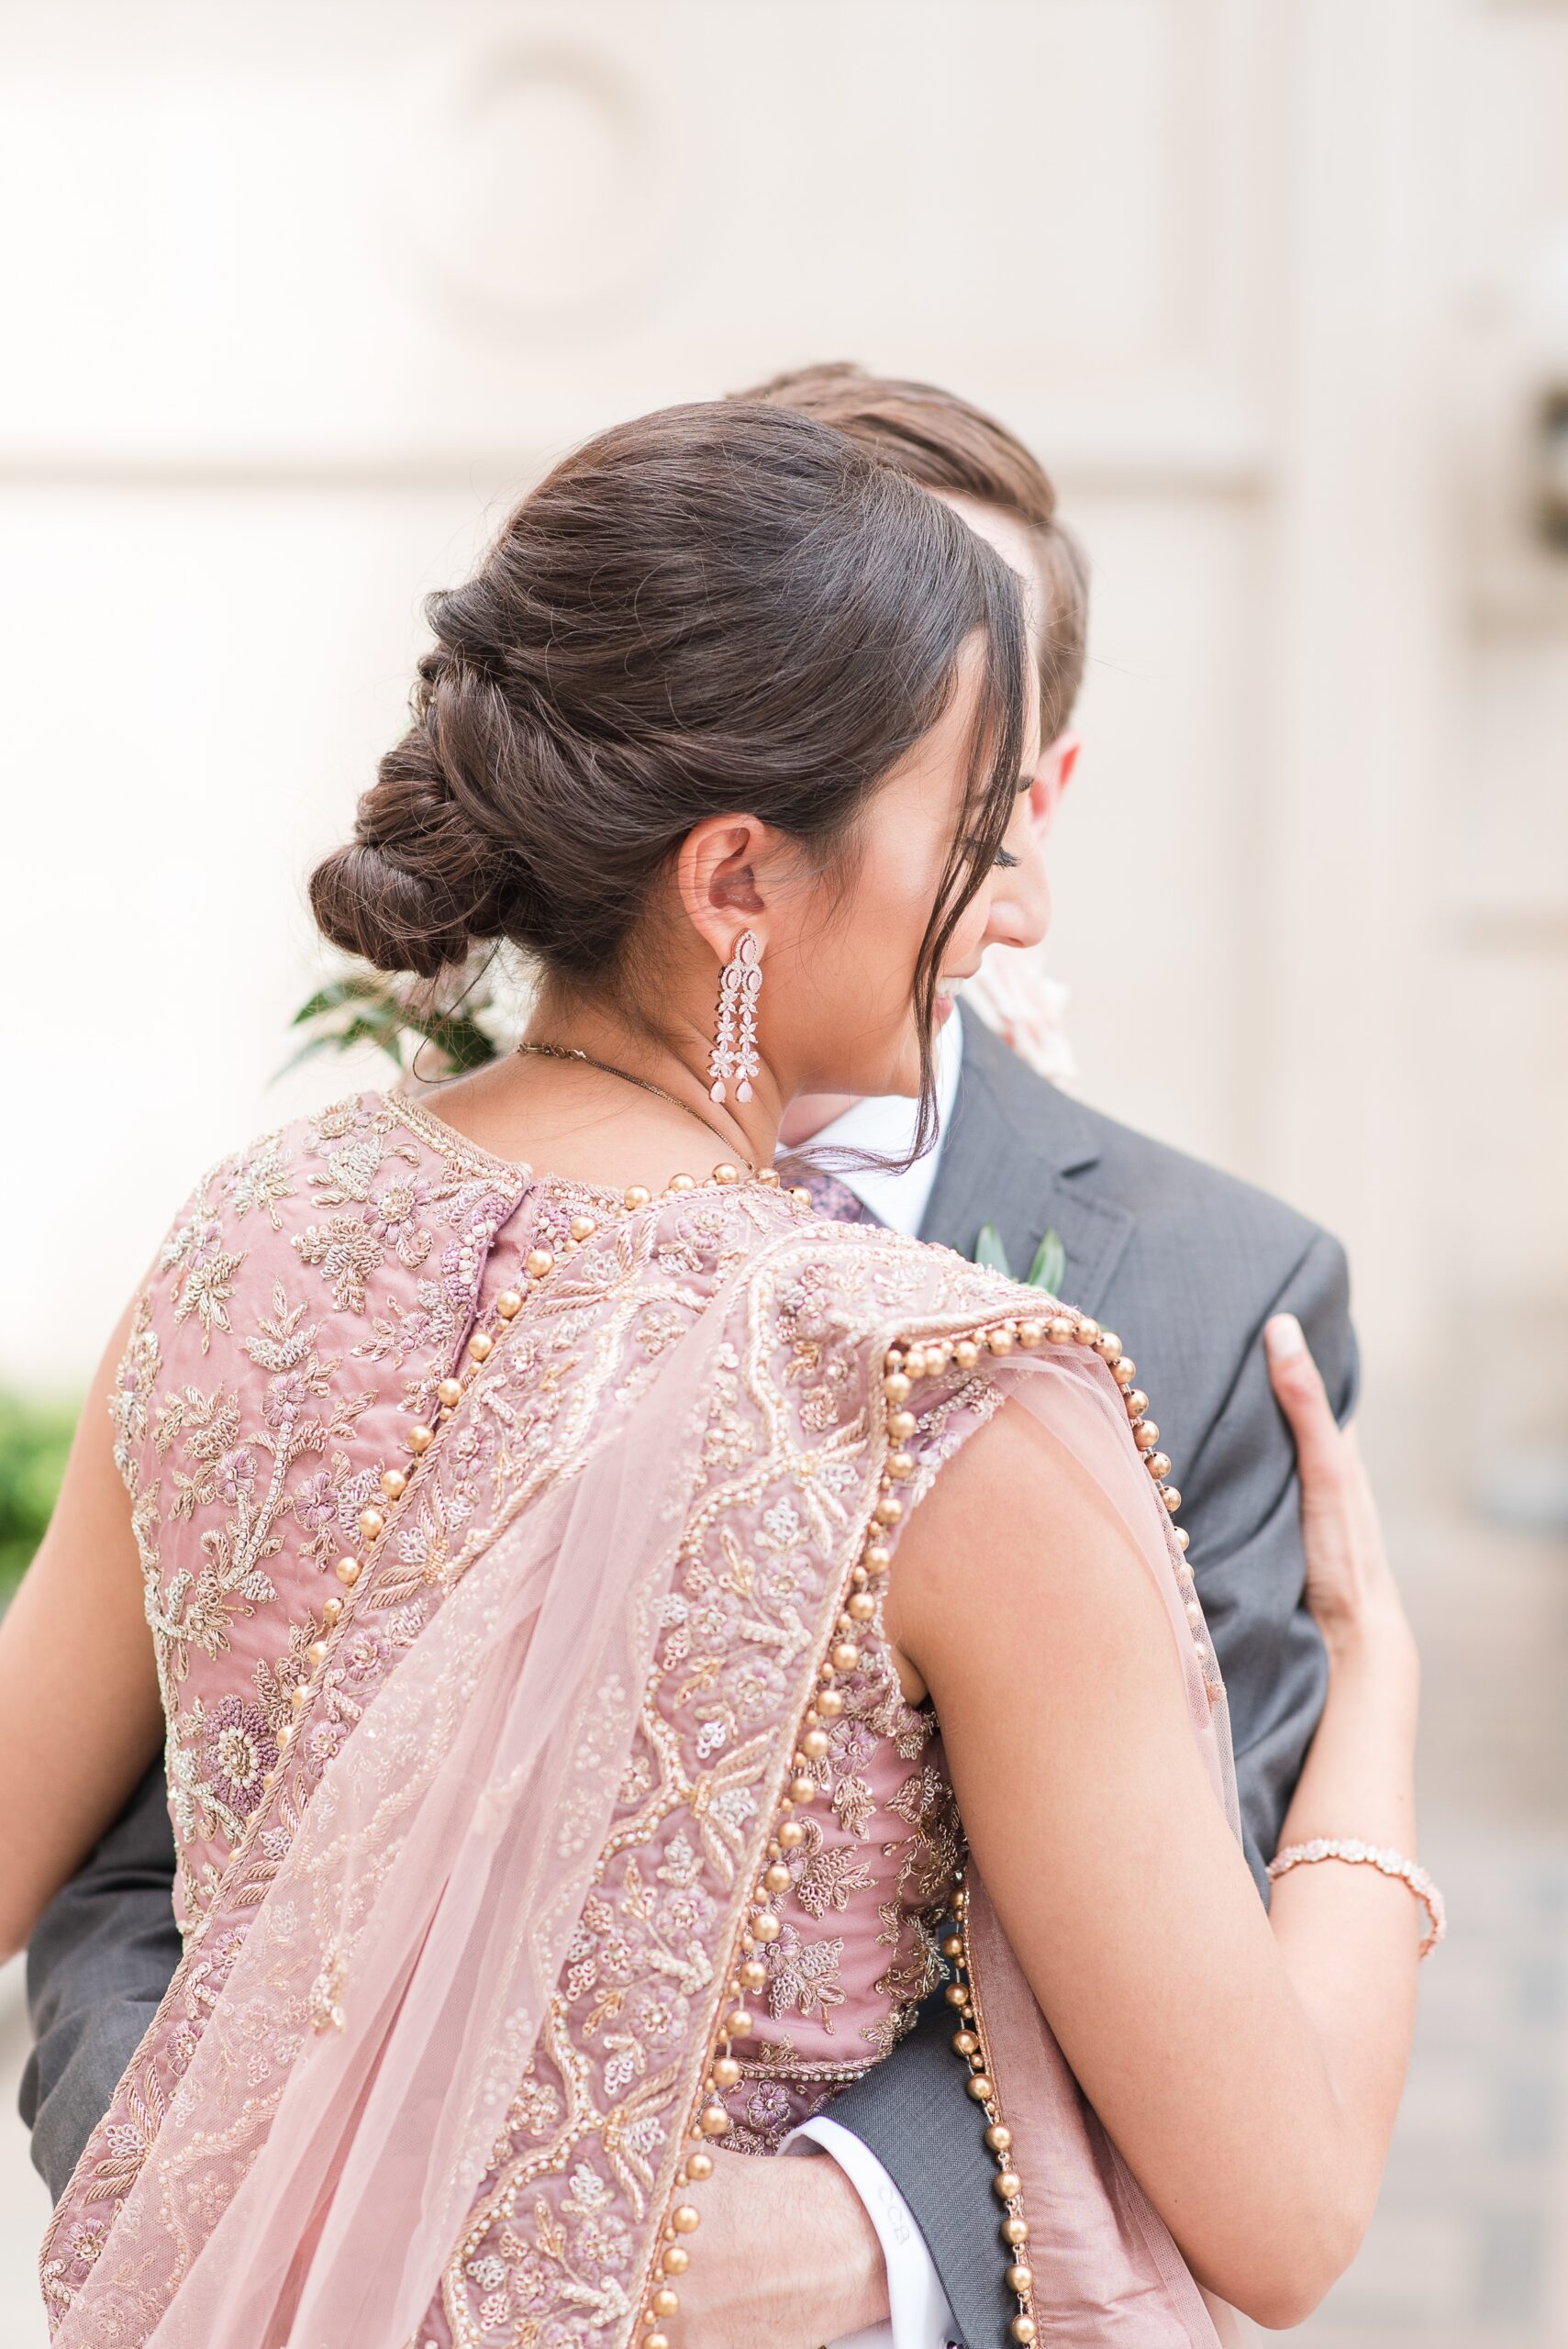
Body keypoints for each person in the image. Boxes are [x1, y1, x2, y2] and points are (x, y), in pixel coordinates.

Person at [1, 395, 1432, 2349]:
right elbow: (1287, 2206)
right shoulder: (949, 1406)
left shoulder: (246, 1236)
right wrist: (1382, 1714)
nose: (1016, 906)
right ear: (739, 878)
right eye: (968, 831)